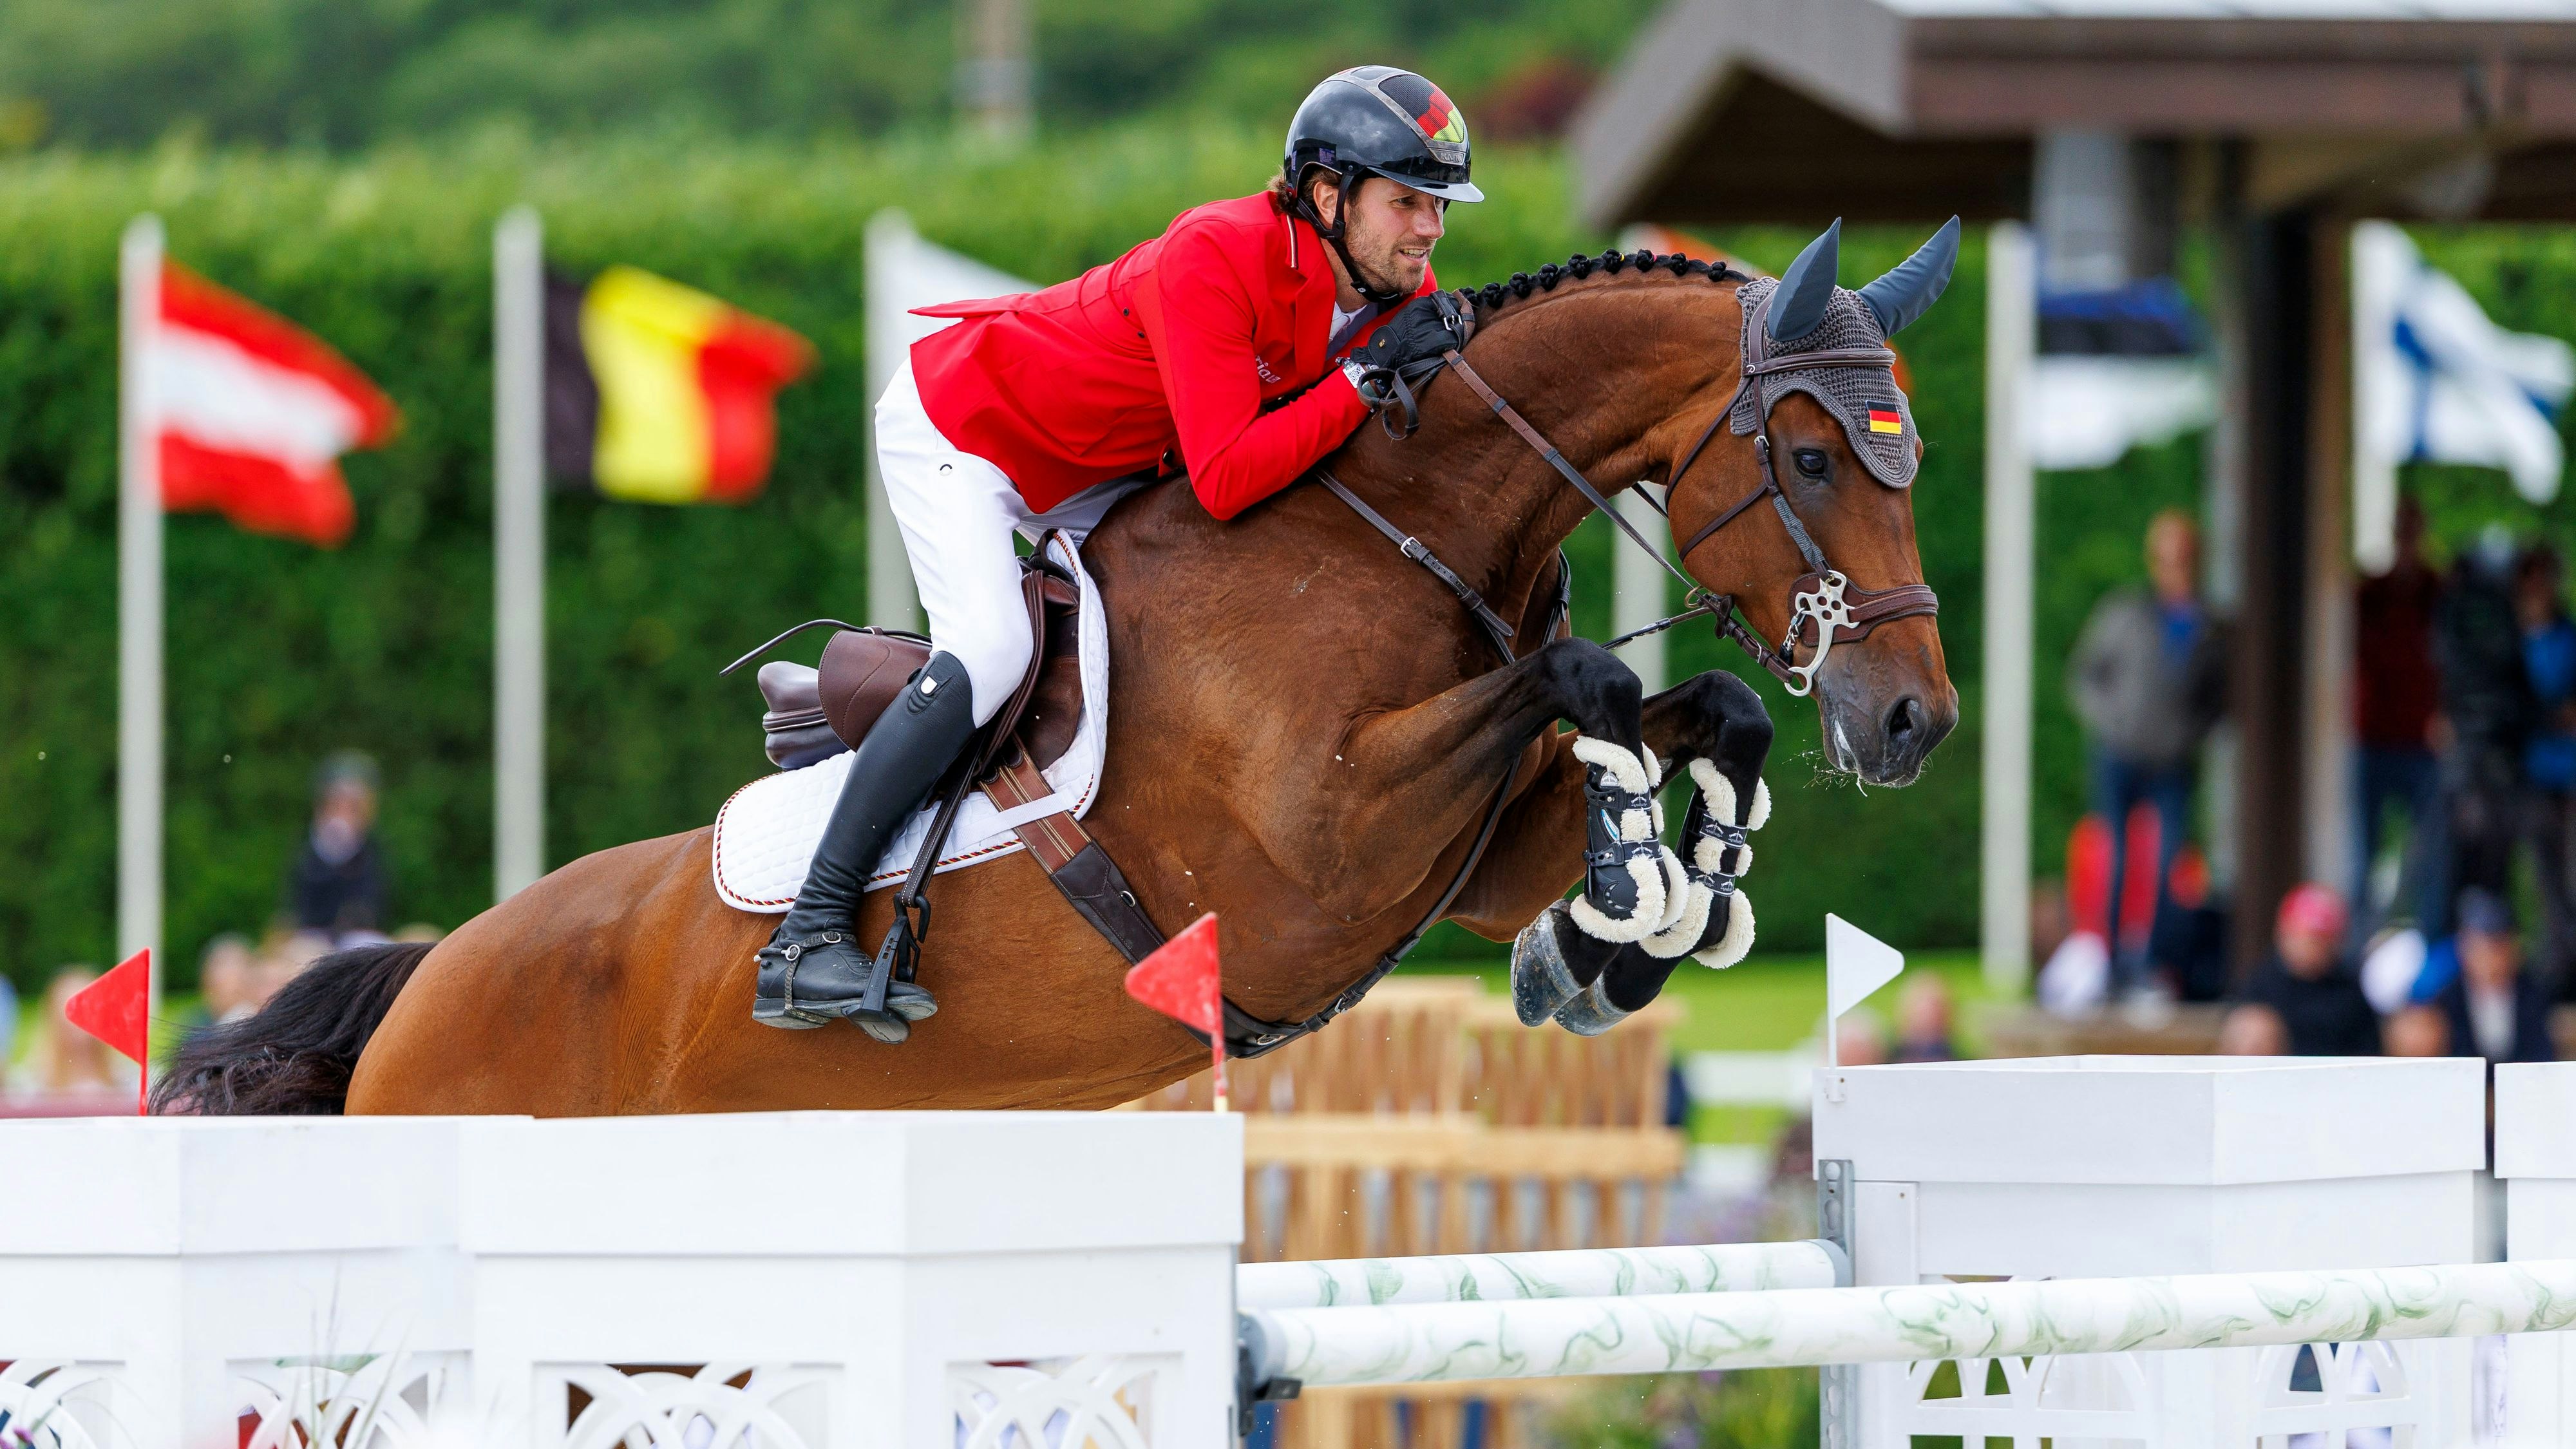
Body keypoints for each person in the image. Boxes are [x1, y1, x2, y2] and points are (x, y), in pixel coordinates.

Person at [755, 67, 1484, 1039]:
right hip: (969, 434)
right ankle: (804, 938)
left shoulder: (1395, 291)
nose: (1429, 229)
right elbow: (1228, 476)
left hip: (1112, 464)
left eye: (1437, 205)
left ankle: (882, 719)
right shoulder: (1215, 253)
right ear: (1327, 195)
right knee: (994, 651)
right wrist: (1361, 381)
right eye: (1409, 202)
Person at [2068, 510, 2226, 1000]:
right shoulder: (2126, 611)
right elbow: (2085, 676)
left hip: (2172, 762)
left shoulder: (2208, 623)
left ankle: (2154, 964)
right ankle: (2112, 964)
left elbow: (2219, 695)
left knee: (2168, 866)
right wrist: (2112, 724)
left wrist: (2189, 735)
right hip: (2119, 754)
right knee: (2114, 858)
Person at [2352, 497, 2445, 936]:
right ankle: (2360, 940)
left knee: (2428, 851)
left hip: (2422, 741)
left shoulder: (2437, 593)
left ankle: (2424, 936)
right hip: (2375, 737)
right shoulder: (2370, 594)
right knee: (2362, 853)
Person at [2434, 527, 2532, 934]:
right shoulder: (2467, 613)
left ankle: (2491, 953)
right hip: (2473, 755)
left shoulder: (2490, 612)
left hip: (2495, 754)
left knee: (2490, 867)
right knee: (2456, 865)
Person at [2517, 543, 2576, 996]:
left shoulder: (2566, 636)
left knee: (2562, 876)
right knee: (2536, 879)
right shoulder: (2505, 638)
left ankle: (2562, 971)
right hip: (2519, 775)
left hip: (2563, 772)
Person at [2236, 884, 2380, 1056]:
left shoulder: (2350, 988)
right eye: (2302, 936)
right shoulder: (2263, 982)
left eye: (2320, 939)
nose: (2310, 948)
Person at [2423, 889, 2554, 1069]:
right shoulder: (2448, 999)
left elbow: (2541, 1052)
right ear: (2464, 949)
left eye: (2499, 949)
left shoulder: (2532, 994)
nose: (2491, 961)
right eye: (2482, 950)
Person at [288, 752, 386, 940]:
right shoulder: (311, 850)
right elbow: (302, 904)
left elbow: (374, 903)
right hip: (313, 935)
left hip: (359, 936)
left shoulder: (370, 849)